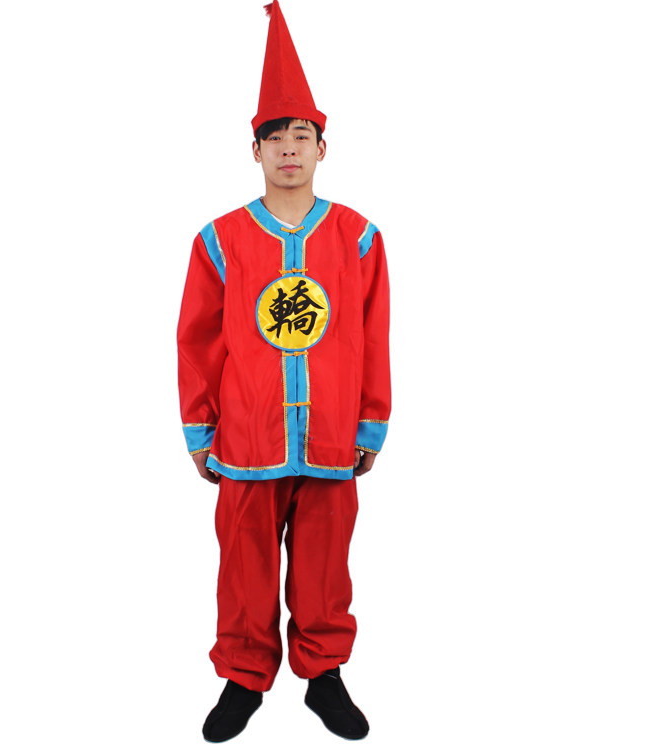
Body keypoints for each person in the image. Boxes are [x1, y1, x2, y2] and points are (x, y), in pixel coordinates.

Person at [177, 1, 390, 741]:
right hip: (247, 434)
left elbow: (373, 335)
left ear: (323, 148)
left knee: (326, 566)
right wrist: (200, 427)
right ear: (256, 151)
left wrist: (371, 420)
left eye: (302, 136)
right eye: (275, 137)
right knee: (243, 566)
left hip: (330, 435)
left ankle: (323, 675)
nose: (289, 149)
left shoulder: (358, 238)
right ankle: (243, 678)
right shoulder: (220, 240)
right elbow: (197, 339)